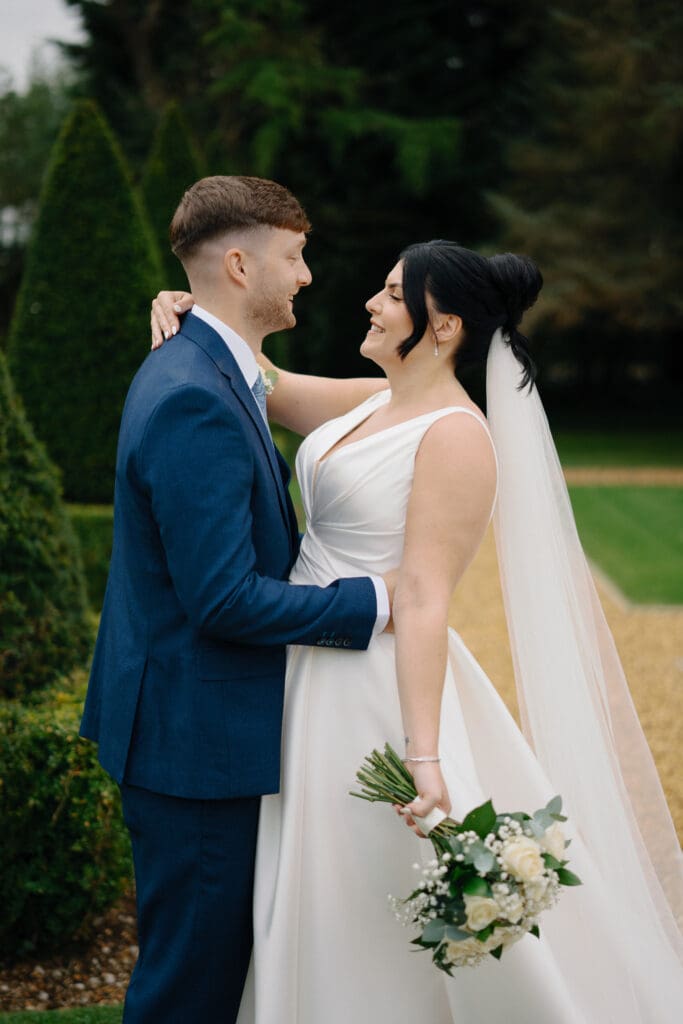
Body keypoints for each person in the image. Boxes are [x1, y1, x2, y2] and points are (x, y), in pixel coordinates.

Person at [152, 241, 683, 1022]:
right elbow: (256, 382)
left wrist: (423, 752)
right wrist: (187, 310)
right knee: (309, 873)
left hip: (365, 685)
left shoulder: (457, 436)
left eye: (395, 294)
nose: (372, 300)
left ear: (443, 327)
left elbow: (427, 599)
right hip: (299, 657)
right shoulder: (373, 399)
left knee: (358, 883)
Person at [80, 175, 399, 1024]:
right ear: (236, 263)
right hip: (194, 746)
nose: (304, 276)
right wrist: (369, 602)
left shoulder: (207, 361)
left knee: (204, 969)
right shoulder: (195, 395)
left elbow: (379, 398)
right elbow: (222, 600)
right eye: (293, 257)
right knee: (190, 986)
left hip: (189, 728)